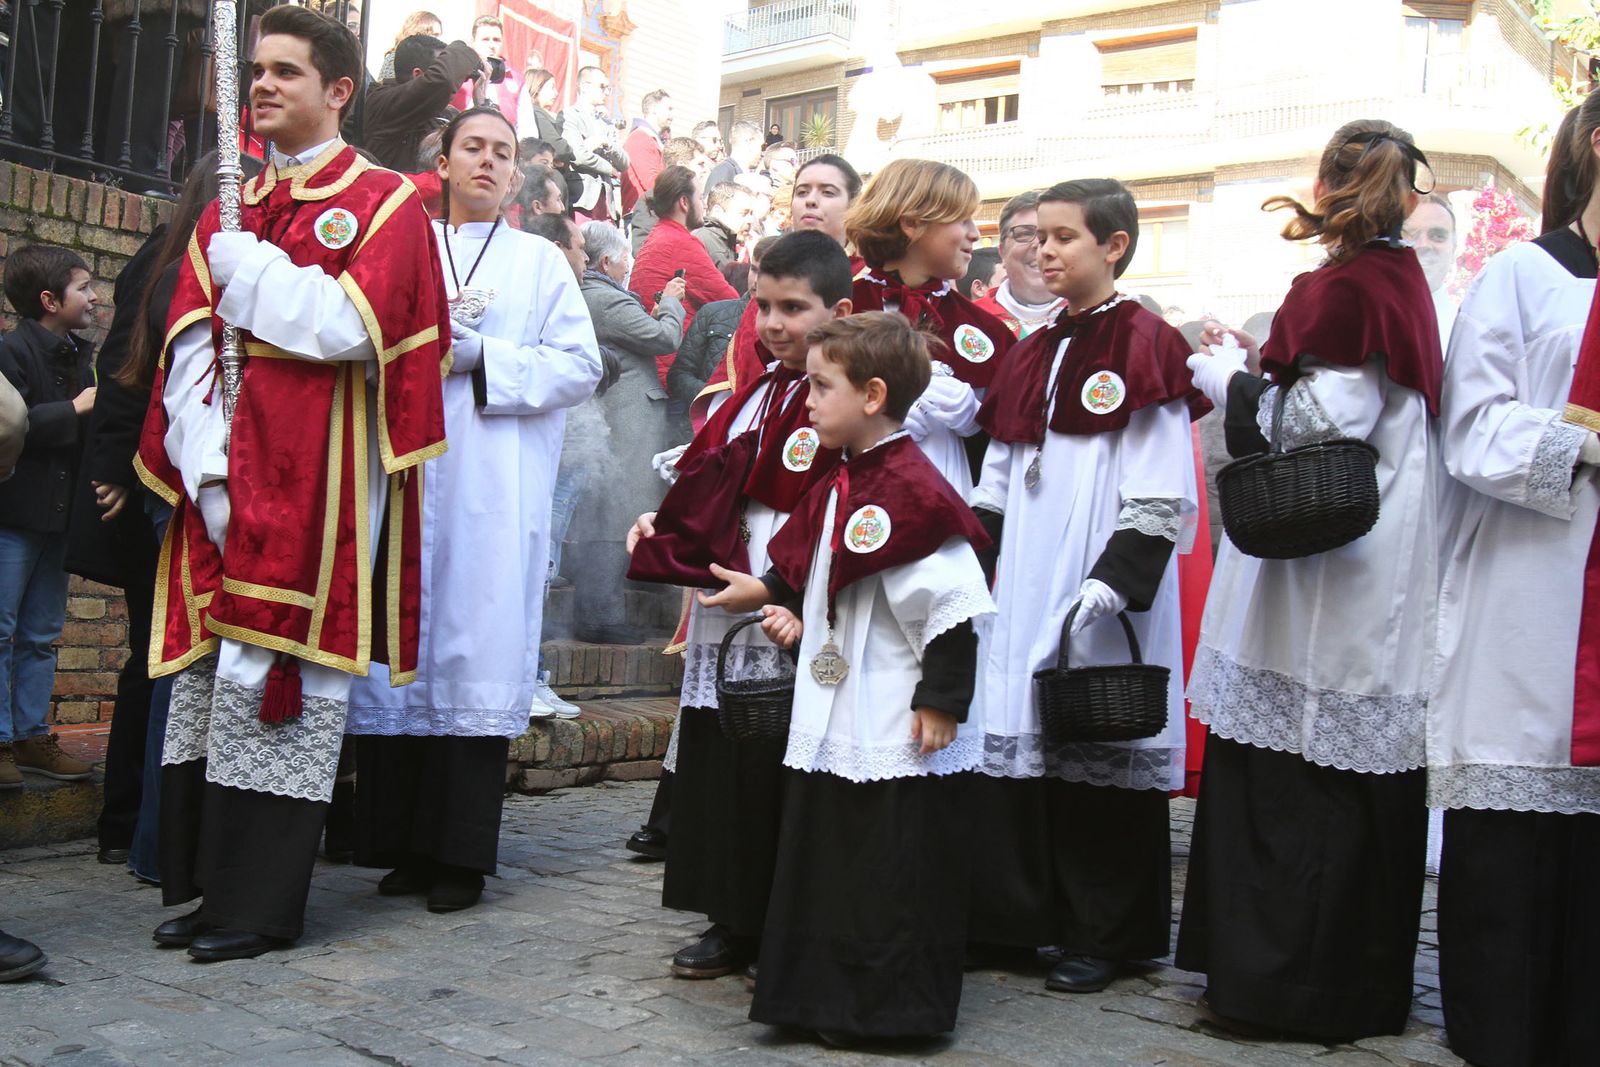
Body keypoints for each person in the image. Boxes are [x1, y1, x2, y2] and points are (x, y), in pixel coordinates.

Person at [135, 4, 452, 962]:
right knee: (211, 678)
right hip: (228, 475)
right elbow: (188, 336)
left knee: (276, 678)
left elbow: (358, 330)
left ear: (339, 90)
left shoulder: (388, 201)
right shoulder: (239, 202)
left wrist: (256, 275)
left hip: (320, 486)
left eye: (286, 71)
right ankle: (212, 889)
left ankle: (262, 905)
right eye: (256, 71)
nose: (263, 85)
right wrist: (205, 454)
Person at [1176, 119, 1443, 1039]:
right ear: (1407, 195)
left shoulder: (1341, 286)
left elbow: (1326, 417)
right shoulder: (1398, 281)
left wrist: (1224, 378)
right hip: (1367, 561)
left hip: (1330, 569)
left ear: (1325, 190)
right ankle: (1335, 980)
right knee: (1326, 767)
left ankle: (1287, 986)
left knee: (1303, 766)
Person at [702, 312, 996, 1042]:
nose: (807, 401)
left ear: (871, 394)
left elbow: (954, 607)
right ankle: (819, 996)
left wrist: (941, 700)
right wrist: (777, 598)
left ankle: (884, 1009)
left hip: (893, 709)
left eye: (820, 387)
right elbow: (819, 568)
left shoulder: (911, 485)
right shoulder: (843, 478)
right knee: (833, 856)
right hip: (839, 702)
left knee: (888, 863)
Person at [345, 108, 599, 914]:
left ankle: (458, 855)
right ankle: (400, 845)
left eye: (504, 153)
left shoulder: (538, 263)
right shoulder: (399, 243)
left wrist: (483, 354)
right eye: (474, 149)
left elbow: (579, 365)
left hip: (493, 482)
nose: (488, 162)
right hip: (406, 476)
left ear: (516, 175)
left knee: (475, 649)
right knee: (402, 647)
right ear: (444, 161)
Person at [966, 179, 1206, 993]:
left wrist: (1114, 581)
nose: (1045, 251)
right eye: (1038, 237)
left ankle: (1104, 933)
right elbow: (997, 474)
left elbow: (1159, 485)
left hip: (1096, 579)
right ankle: (1014, 918)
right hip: (1026, 573)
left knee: (1097, 741)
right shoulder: (1031, 348)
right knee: (1014, 733)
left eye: (1066, 237)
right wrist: (969, 556)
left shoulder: (1146, 340)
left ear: (1114, 246)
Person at [626, 230, 853, 981]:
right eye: (764, 306)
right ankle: (730, 916)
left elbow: (835, 504)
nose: (775, 324)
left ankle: (777, 922)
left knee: (776, 767)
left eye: (796, 307)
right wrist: (663, 527)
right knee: (725, 764)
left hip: (785, 603)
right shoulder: (755, 392)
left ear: (839, 310)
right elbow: (708, 479)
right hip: (731, 598)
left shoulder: (843, 399)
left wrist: (779, 585)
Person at [1425, 96, 1600, 1067]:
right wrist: (1582, 436)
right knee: (1517, 812)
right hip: (1536, 583)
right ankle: (1500, 1033)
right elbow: (1472, 427)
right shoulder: (1523, 278)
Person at [845, 158, 1014, 491]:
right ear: (911, 223)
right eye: (962, 219)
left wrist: (977, 423)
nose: (975, 234)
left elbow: (1011, 459)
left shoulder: (988, 331)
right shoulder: (842, 310)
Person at [0, 245, 99, 792]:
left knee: (41, 634)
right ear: (48, 299)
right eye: (83, 287)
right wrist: (75, 409)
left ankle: (32, 737)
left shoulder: (80, 356)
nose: (93, 298)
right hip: (13, 515)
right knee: (1, 630)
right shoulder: (10, 353)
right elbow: (7, 427)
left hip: (59, 518)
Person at [562, 222, 688, 646]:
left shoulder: (601, 297)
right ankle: (600, 614)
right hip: (623, 422)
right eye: (625, 260)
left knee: (619, 510)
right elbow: (663, 338)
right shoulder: (603, 299)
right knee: (612, 514)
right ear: (604, 262)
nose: (629, 268)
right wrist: (671, 304)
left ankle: (607, 609)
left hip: (622, 420)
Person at [688, 154, 862, 429]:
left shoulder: (868, 284)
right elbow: (742, 373)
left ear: (853, 206)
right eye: (802, 191)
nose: (811, 200)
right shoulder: (772, 273)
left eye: (828, 192)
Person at [630, 167, 739, 385]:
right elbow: (731, 304)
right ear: (684, 202)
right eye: (700, 197)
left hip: (655, 366)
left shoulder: (659, 236)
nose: (704, 204)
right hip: (672, 371)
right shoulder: (678, 242)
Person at [362, 32, 482, 172]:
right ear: (418, 75)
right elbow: (443, 81)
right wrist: (464, 48)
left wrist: (481, 104)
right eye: (441, 65)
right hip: (395, 192)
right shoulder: (383, 104)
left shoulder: (446, 113)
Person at [975, 191, 1065, 338]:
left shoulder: (1097, 316)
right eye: (1025, 233)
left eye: (1059, 236)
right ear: (1002, 252)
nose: (1039, 245)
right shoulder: (971, 320)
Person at [563, 67, 630, 225]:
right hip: (582, 199)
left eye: (608, 88)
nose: (606, 92)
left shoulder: (606, 121)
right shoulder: (570, 115)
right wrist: (610, 169)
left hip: (606, 203)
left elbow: (625, 162)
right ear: (585, 87)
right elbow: (578, 156)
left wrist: (606, 143)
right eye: (602, 87)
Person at [629, 137, 713, 254]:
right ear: (681, 165)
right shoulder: (653, 199)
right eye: (700, 164)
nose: (705, 169)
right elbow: (643, 249)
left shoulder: (697, 198)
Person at [1402, 191, 1458, 355]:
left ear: (1454, 248)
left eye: (1437, 236)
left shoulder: (1467, 331)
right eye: (1411, 235)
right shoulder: (1369, 319)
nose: (1423, 245)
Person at [449, 15, 521, 117]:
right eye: (485, 39)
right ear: (473, 41)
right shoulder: (458, 71)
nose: (491, 45)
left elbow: (526, 128)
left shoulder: (516, 78)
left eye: (496, 40)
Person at [621, 89, 674, 217]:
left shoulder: (655, 140)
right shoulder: (640, 137)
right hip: (643, 214)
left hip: (652, 212)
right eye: (669, 109)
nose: (672, 115)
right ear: (654, 109)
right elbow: (651, 182)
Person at [518, 70, 574, 170]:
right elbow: (560, 147)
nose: (556, 93)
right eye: (551, 87)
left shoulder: (541, 113)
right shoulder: (535, 113)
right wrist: (570, 152)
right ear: (537, 88)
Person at [693, 182, 755, 269]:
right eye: (743, 213)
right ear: (717, 212)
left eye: (751, 214)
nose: (750, 220)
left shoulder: (725, 241)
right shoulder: (708, 245)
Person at [378, 10, 442, 81]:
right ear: (420, 31)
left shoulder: (431, 58)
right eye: (435, 35)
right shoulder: (394, 59)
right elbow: (391, 88)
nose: (437, 39)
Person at [707, 120, 762, 193]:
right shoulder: (723, 171)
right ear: (749, 143)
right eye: (762, 146)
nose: (762, 153)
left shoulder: (733, 171)